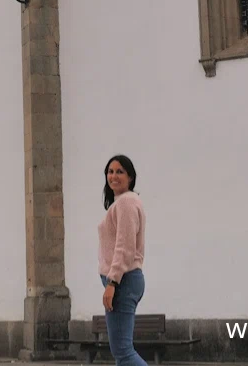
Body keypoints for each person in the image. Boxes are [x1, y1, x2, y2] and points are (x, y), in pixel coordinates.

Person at [98, 154, 147, 366]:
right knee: (122, 353)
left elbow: (125, 247)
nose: (114, 176)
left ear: (130, 177)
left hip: (122, 281)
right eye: (110, 171)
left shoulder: (126, 202)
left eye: (120, 171)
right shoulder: (123, 203)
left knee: (124, 352)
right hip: (126, 280)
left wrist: (112, 282)